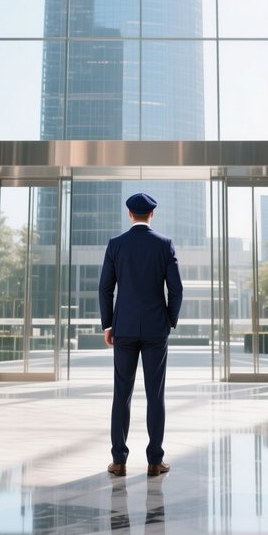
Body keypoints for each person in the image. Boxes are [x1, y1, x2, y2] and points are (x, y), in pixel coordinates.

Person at [99, 192, 183, 477]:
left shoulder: (116, 245)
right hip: (155, 329)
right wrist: (169, 320)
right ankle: (154, 460)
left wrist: (107, 325)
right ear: (152, 214)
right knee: (155, 395)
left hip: (123, 329)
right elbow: (176, 289)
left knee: (121, 393)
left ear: (129, 214)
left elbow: (105, 289)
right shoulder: (164, 245)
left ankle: (119, 461)